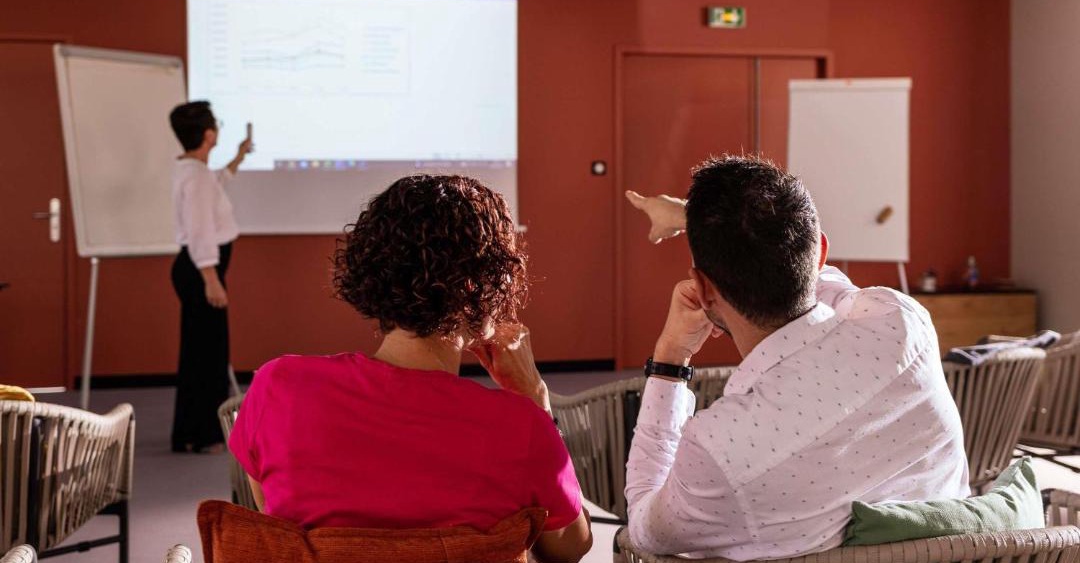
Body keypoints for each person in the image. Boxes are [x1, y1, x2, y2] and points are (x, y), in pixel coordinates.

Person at [229, 175, 592, 562]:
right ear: (485, 284)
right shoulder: (522, 426)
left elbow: (275, 519)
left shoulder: (278, 387)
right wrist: (535, 398)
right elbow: (569, 549)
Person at [623, 155, 969, 560]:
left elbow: (645, 527)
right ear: (820, 249)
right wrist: (693, 220)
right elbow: (814, 279)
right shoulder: (900, 323)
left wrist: (670, 360)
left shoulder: (718, 451)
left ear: (701, 289)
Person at [168, 101, 252, 453]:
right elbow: (201, 230)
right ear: (208, 134)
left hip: (195, 269)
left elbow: (216, 181)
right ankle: (206, 435)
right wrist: (212, 279)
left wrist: (237, 158)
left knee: (198, 351)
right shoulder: (197, 178)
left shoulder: (191, 170)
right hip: (203, 270)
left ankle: (189, 433)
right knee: (210, 354)